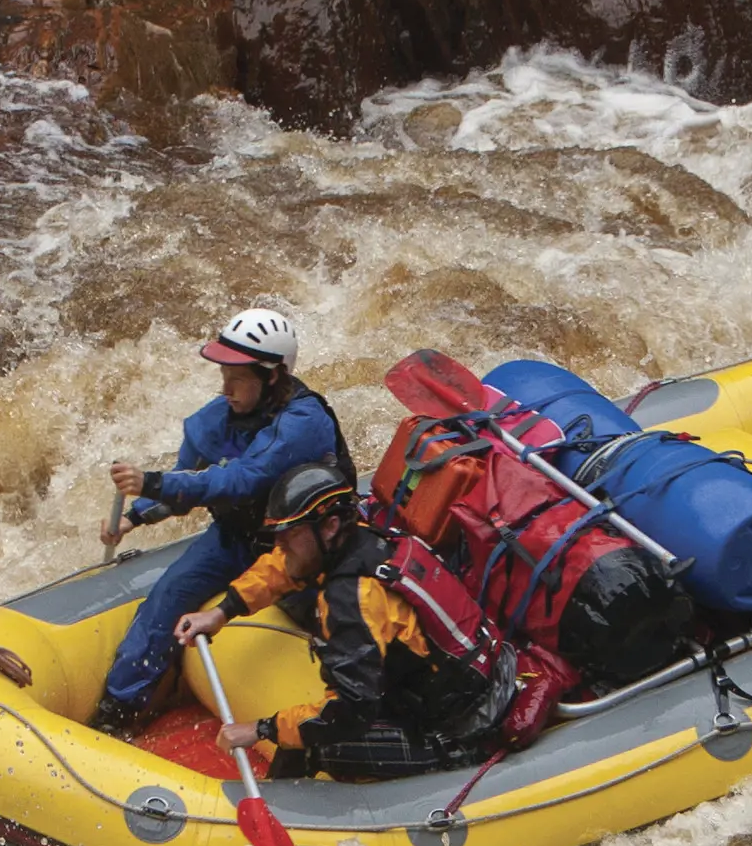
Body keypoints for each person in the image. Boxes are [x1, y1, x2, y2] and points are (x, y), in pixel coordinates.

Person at [90, 307, 348, 734]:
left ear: (271, 375)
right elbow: (188, 481)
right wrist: (134, 520)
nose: (225, 388)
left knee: (331, 620)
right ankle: (117, 713)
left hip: (305, 547)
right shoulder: (213, 419)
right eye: (223, 375)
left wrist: (151, 482)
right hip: (236, 538)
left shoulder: (305, 422)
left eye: (237, 378)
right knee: (165, 599)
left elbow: (242, 479)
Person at [170, 464, 506, 781]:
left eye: (289, 535)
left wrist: (261, 729)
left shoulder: (350, 599)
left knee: (304, 746)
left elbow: (350, 712)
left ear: (329, 526)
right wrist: (223, 610)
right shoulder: (360, 537)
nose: (279, 544)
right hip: (476, 681)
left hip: (460, 729)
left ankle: (287, 829)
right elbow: (284, 566)